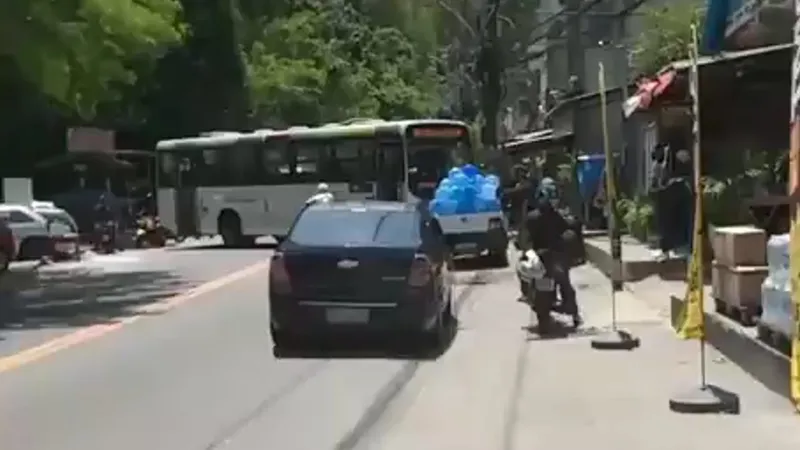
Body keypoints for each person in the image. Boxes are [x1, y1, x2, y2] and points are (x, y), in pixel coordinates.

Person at [521, 178, 581, 328]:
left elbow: (569, 231)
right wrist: (528, 252)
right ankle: (572, 312)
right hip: (540, 259)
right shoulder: (534, 217)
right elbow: (523, 239)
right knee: (525, 271)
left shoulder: (556, 217)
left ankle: (573, 311)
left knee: (564, 281)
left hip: (554, 258)